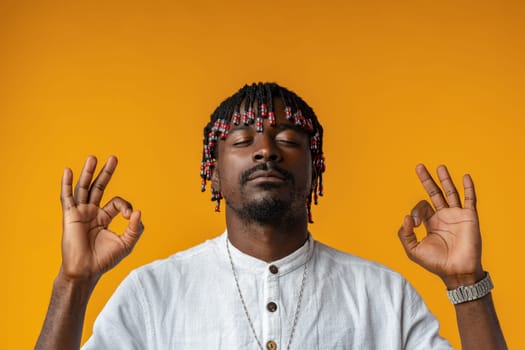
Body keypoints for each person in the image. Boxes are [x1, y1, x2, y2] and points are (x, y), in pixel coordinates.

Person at [36, 83, 507, 349]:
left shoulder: (383, 296)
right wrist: (73, 283)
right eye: (242, 141)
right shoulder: (152, 294)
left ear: (314, 166)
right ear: (214, 173)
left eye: (287, 139)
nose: (265, 150)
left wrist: (466, 283)